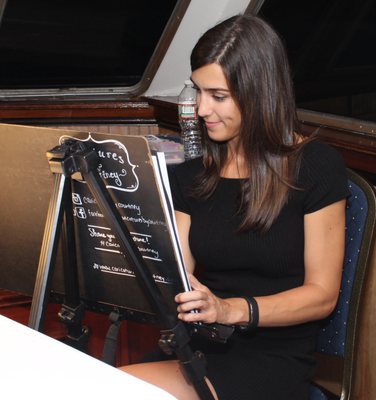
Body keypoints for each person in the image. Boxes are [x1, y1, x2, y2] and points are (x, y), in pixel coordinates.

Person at [120, 14, 350, 399]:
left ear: (260, 92)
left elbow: (322, 295)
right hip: (198, 345)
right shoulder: (193, 175)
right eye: (199, 91)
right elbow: (176, 277)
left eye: (219, 96)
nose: (202, 109)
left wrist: (229, 310)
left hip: (271, 357)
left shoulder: (316, 167)